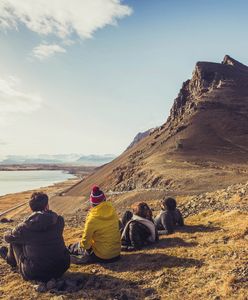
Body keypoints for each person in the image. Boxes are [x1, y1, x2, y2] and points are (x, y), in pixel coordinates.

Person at [0, 192, 70, 282]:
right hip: (61, 267)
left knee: (15, 241)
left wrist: (9, 232)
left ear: (31, 208)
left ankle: (10, 261)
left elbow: (7, 238)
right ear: (47, 205)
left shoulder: (24, 228)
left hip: (36, 273)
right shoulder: (59, 221)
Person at [68, 186, 121, 264]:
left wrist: (82, 246)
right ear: (104, 199)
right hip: (116, 254)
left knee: (77, 247)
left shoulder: (92, 218)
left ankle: (66, 251)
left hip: (102, 256)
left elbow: (85, 244)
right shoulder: (112, 210)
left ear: (92, 202)